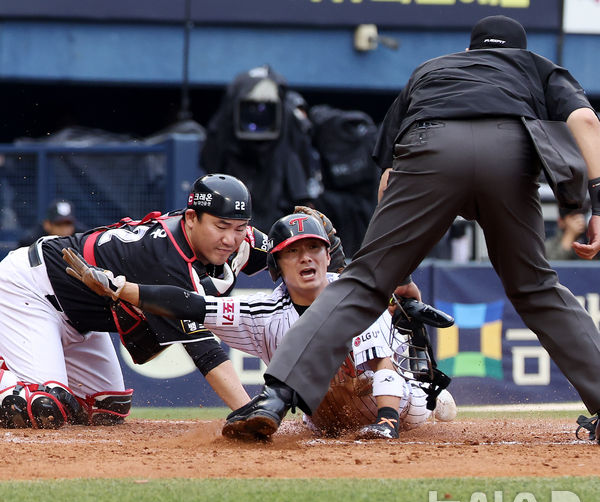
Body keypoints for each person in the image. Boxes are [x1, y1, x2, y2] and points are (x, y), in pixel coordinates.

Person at [219, 15, 600, 443]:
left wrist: (394, 273)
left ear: (473, 52)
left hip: (430, 149)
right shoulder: (536, 65)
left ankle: (275, 395)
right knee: (536, 288)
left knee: (362, 284)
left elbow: (387, 179)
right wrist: (596, 202)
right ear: (518, 48)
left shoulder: (431, 70)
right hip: (508, 153)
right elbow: (586, 122)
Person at [0, 174, 270, 428]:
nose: (231, 239)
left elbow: (280, 251)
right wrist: (249, 413)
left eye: (239, 229)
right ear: (191, 219)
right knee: (48, 408)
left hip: (79, 315)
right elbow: (206, 352)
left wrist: (327, 252)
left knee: (107, 409)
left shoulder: (236, 240)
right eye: (220, 227)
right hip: (30, 288)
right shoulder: (166, 258)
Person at [61, 211, 457, 439]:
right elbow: (190, 304)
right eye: (294, 252)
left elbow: (382, 365)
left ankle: (432, 396)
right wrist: (122, 287)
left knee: (387, 383)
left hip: (399, 409)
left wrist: (387, 423)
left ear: (327, 255)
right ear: (276, 266)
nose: (306, 259)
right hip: (327, 423)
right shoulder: (263, 314)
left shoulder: (355, 297)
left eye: (314, 248)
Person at [200, 65, 319, 232]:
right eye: (251, 107)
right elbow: (210, 161)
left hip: (277, 212)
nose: (258, 113)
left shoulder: (290, 127)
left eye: (265, 108)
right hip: (233, 214)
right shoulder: (224, 126)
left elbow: (301, 169)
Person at [18, 198, 85, 247]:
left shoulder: (82, 239)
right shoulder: (31, 242)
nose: (64, 229)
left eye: (68, 224)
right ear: (47, 224)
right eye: (59, 224)